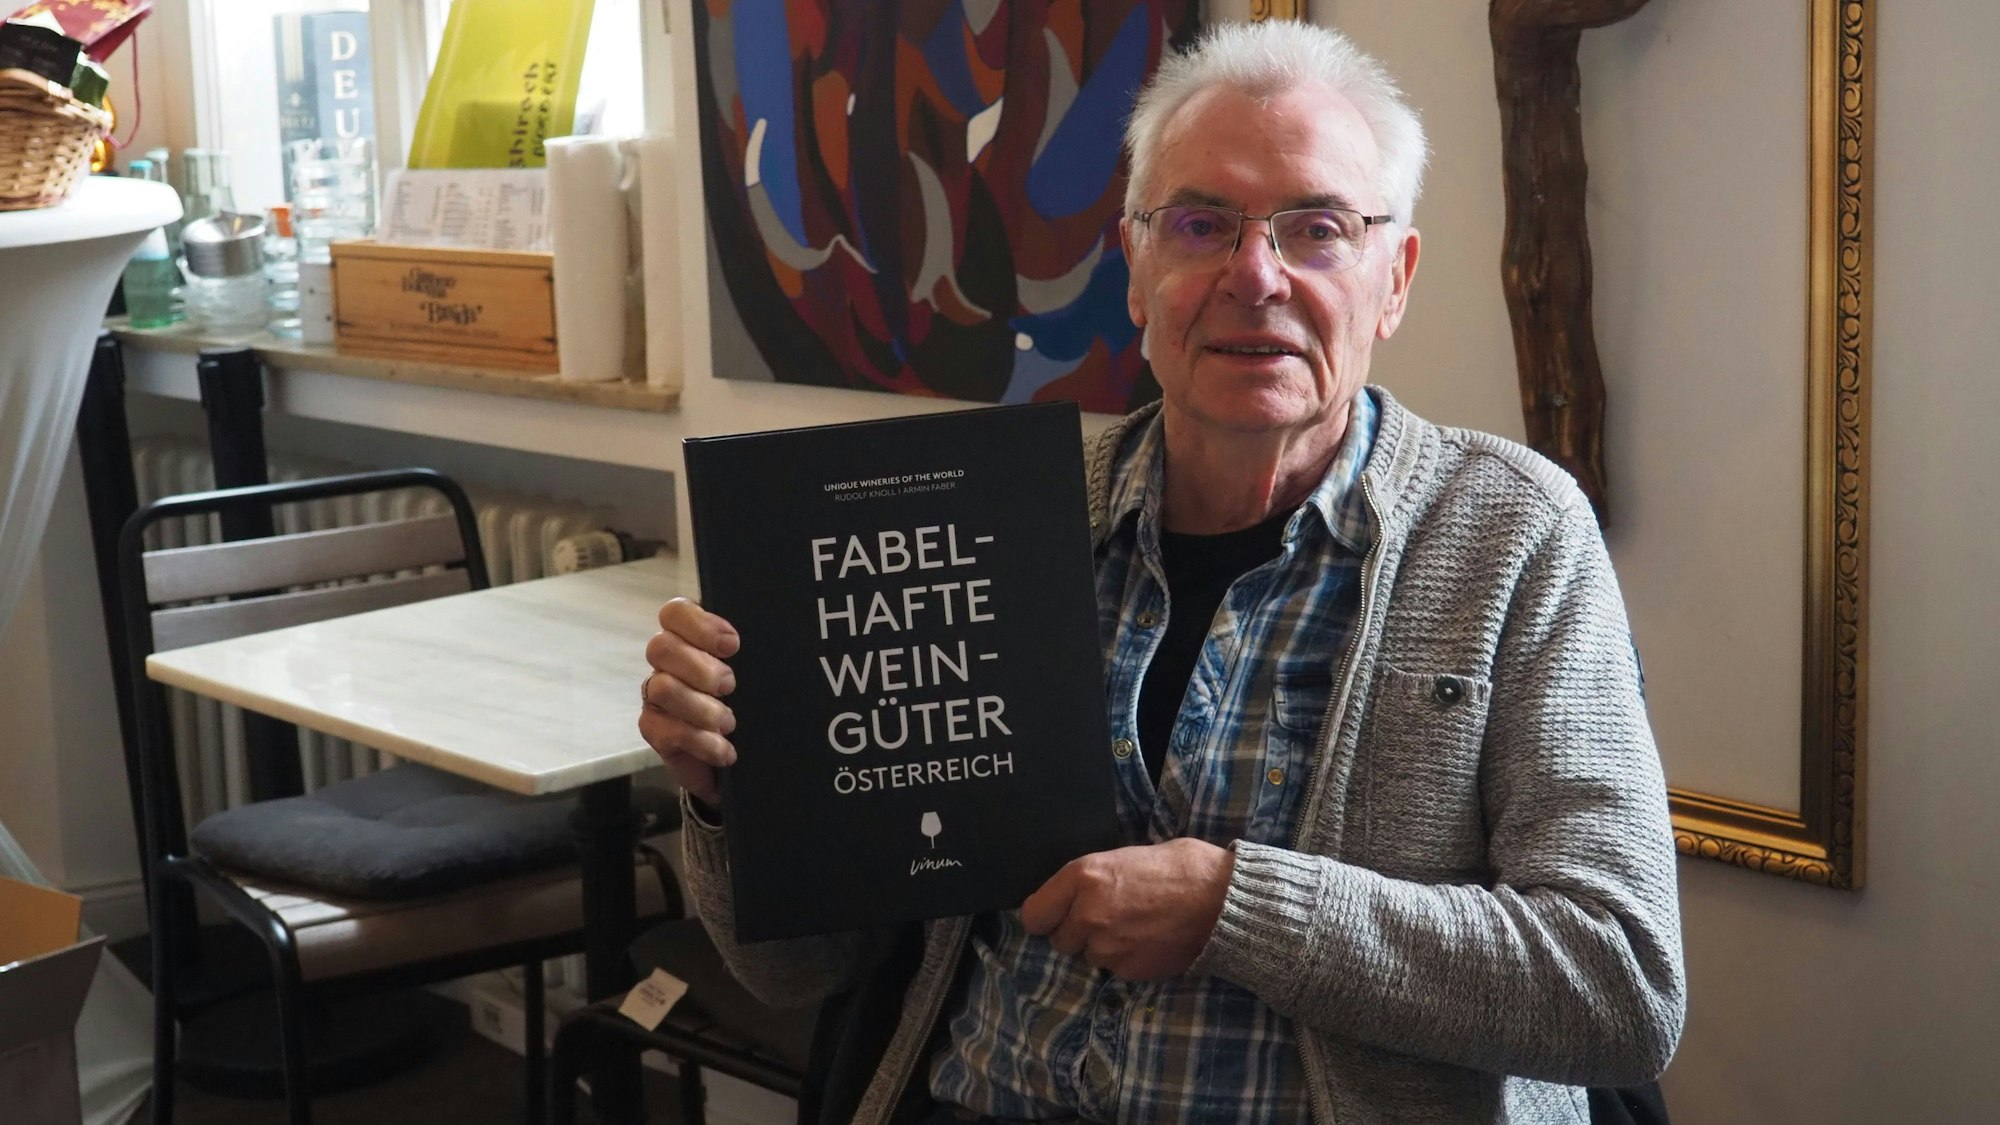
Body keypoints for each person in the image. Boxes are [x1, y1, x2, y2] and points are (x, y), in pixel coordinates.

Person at [640, 20, 1684, 1124]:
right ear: (1135, 268)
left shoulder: (1509, 534)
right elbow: (797, 975)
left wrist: (1236, 911)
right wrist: (729, 801)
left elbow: (1617, 988)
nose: (1253, 275)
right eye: (1198, 223)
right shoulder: (999, 516)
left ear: (1394, 278)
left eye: (1315, 228)